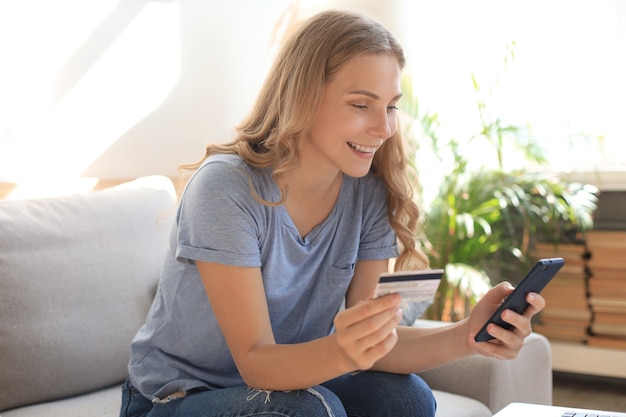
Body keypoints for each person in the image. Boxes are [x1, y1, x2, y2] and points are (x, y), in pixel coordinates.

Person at [120, 9, 545, 417]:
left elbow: (381, 345)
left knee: (406, 399)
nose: (385, 127)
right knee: (306, 410)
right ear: (302, 98)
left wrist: (470, 334)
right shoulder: (226, 188)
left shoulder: (367, 191)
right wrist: (342, 348)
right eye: (362, 105)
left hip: (287, 386)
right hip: (178, 399)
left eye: (391, 105)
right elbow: (256, 364)